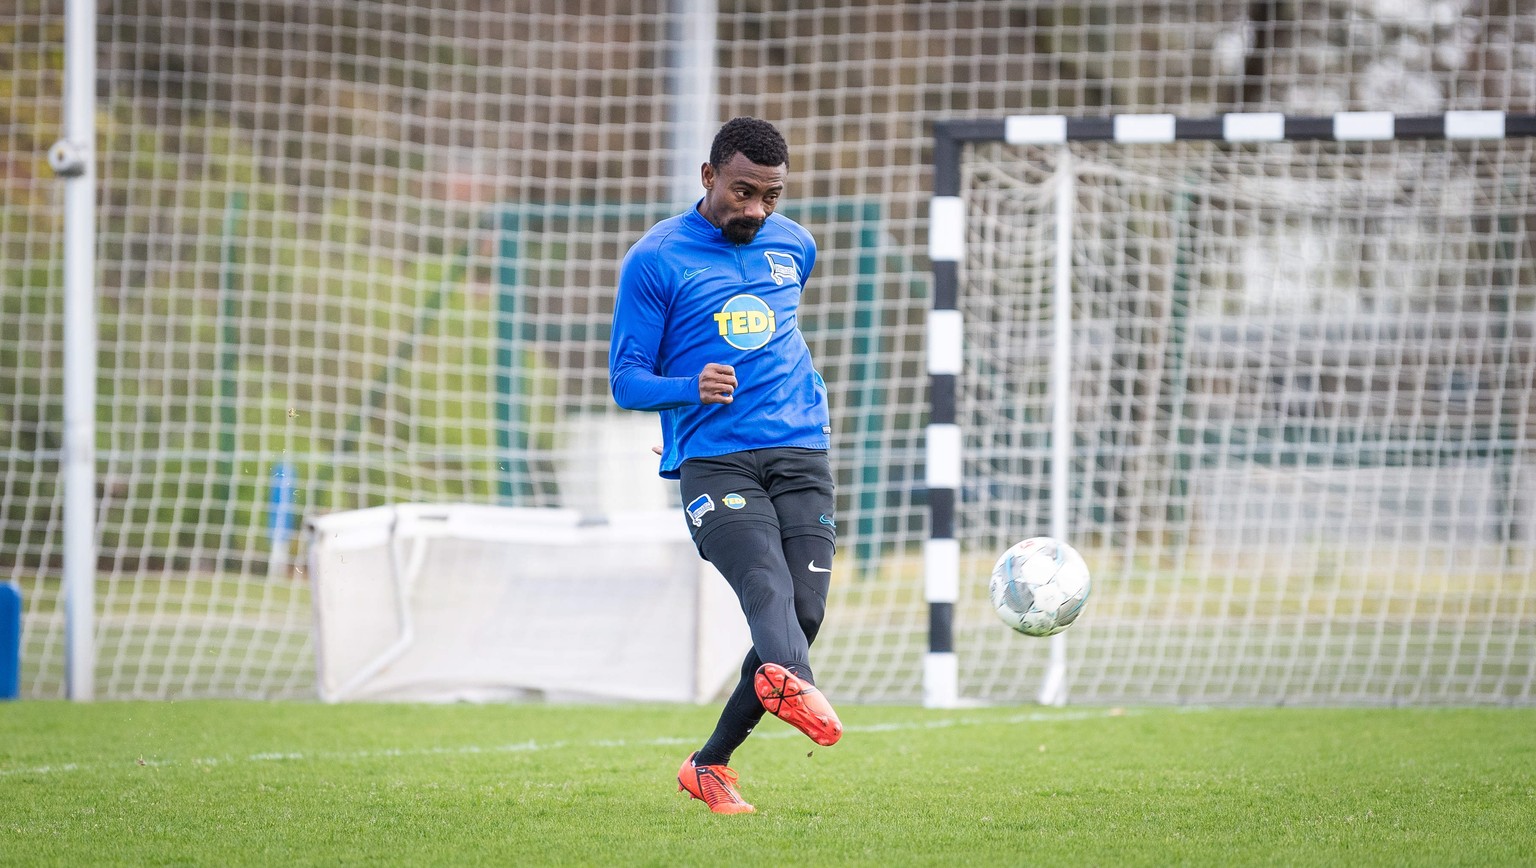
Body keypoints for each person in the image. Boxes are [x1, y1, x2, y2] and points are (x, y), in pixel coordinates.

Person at [609, 117, 842, 815]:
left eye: (769, 196)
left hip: (802, 448)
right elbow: (626, 380)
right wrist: (687, 391)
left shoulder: (794, 245)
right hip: (717, 463)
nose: (755, 210)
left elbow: (773, 341)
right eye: (742, 192)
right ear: (708, 177)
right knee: (765, 588)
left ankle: (710, 765)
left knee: (805, 611)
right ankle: (794, 684)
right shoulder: (656, 260)